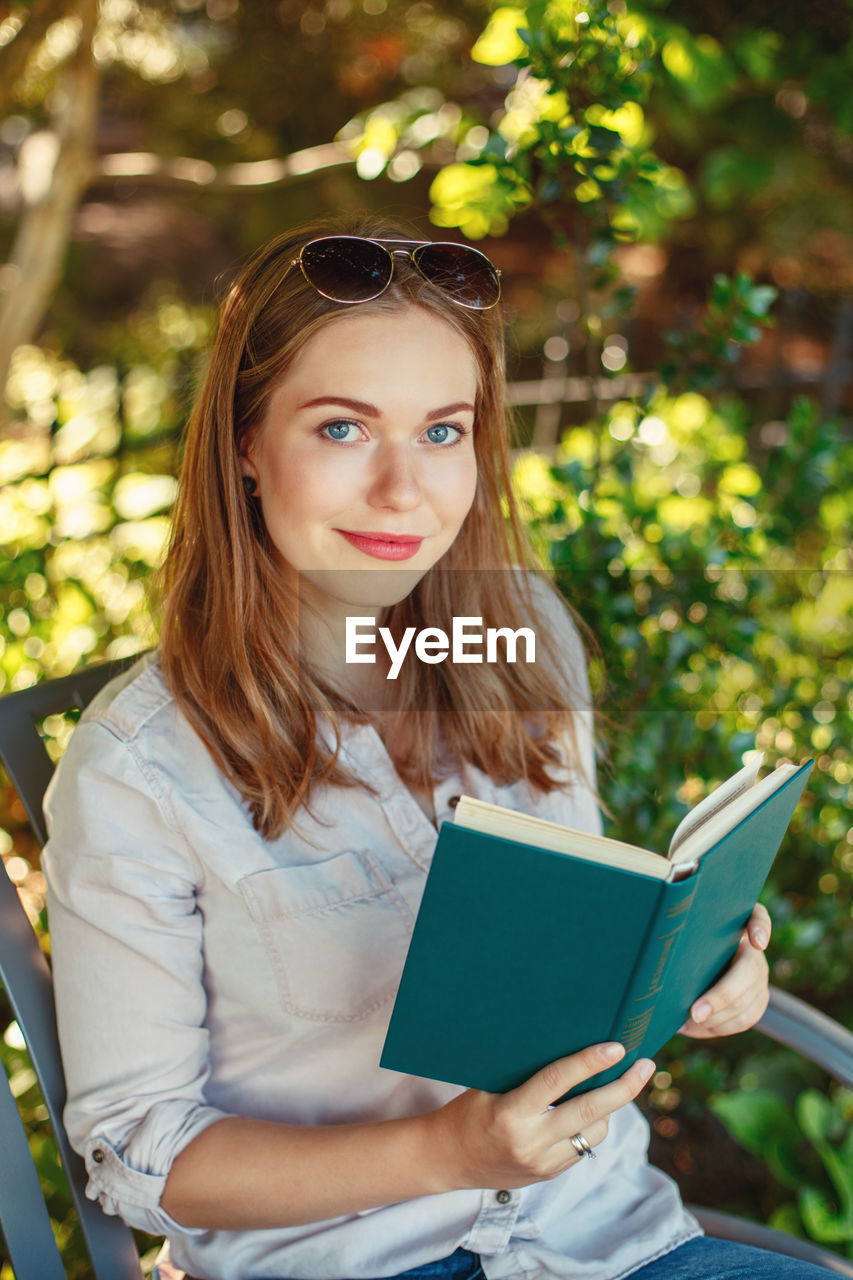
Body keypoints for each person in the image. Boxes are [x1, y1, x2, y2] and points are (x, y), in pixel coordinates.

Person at [41, 215, 830, 1280]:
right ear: (242, 440)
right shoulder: (140, 767)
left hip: (607, 1238)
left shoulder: (523, 638)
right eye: (341, 429)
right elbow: (144, 1154)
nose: (403, 491)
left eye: (442, 430)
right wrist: (444, 1151)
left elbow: (566, 948)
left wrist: (697, 967)